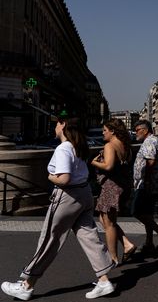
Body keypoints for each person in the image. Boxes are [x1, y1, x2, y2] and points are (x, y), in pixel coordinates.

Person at [1, 118, 116, 300]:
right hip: (84, 194)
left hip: (67, 197)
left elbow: (63, 179)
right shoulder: (78, 146)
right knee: (89, 236)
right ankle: (104, 280)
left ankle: (26, 285)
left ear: (63, 126)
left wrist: (50, 177)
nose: (54, 127)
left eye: (56, 124)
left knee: (49, 239)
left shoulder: (63, 148)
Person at [90, 119, 136, 264]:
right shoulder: (125, 146)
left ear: (112, 131)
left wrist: (94, 162)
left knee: (109, 223)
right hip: (123, 186)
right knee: (104, 219)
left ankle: (113, 257)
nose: (103, 133)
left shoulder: (110, 145)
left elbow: (108, 166)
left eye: (104, 130)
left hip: (111, 187)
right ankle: (127, 244)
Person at [132, 120, 158, 253]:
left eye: (137, 130)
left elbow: (150, 161)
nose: (135, 133)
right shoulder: (157, 141)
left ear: (145, 130)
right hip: (154, 183)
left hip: (147, 184)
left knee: (136, 211)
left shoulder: (149, 142)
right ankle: (149, 242)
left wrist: (146, 181)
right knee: (147, 213)